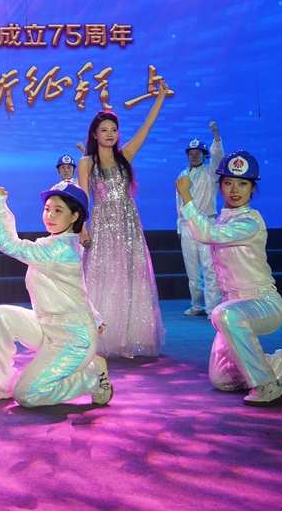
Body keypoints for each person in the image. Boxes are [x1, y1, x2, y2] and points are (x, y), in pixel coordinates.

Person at [177, 150, 282, 406]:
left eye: (242, 184)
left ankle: (267, 386)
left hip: (263, 303)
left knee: (224, 314)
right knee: (223, 380)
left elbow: (208, 235)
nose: (234, 190)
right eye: (228, 183)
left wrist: (187, 197)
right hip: (233, 308)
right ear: (219, 186)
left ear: (253, 188)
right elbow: (209, 231)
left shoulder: (251, 221)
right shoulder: (222, 219)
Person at [0, 181, 112, 407]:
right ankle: (0, 385)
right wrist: (95, 317)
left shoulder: (59, 249)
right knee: (1, 315)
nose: (50, 215)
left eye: (58, 210)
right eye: (47, 209)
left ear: (75, 216)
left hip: (73, 340)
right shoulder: (56, 243)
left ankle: (91, 376)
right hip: (48, 326)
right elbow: (75, 289)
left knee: (26, 395)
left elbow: (9, 245)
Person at [76, 85, 170, 358]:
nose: (109, 134)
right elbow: (83, 199)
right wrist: (82, 228)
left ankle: (128, 338)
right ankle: (104, 338)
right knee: (105, 277)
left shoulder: (124, 156)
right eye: (104, 130)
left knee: (131, 277)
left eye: (113, 130)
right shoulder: (86, 163)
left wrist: (160, 97)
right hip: (103, 223)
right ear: (94, 134)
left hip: (128, 223)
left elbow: (146, 127)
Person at [175, 124, 224, 317]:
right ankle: (197, 305)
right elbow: (178, 203)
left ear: (205, 155)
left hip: (206, 223)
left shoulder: (210, 172)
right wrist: (179, 227)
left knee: (209, 267)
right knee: (192, 269)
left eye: (198, 153)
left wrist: (216, 137)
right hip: (187, 226)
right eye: (191, 153)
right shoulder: (182, 175)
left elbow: (218, 157)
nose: (194, 156)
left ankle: (212, 307)